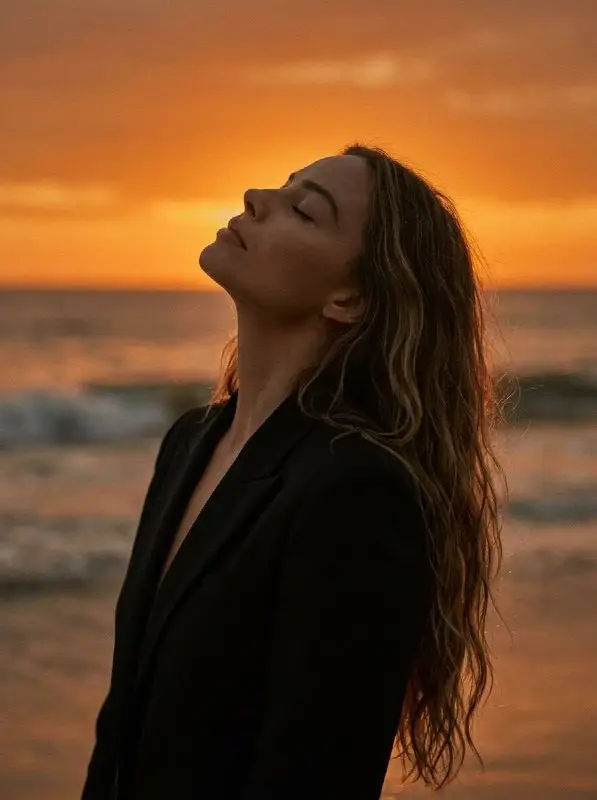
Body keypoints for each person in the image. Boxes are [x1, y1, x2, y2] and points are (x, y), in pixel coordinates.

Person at [81, 143, 506, 799]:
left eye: (304, 211)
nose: (257, 198)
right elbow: (122, 729)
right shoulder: (192, 440)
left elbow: (316, 774)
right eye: (283, 186)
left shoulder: (357, 491)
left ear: (349, 299)